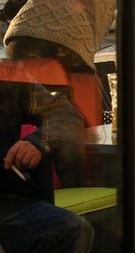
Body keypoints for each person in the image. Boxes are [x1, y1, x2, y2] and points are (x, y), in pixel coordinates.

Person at [0, 71, 93, 252]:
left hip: (10, 201)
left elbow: (66, 113)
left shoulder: (9, 81)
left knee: (75, 230)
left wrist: (39, 141)